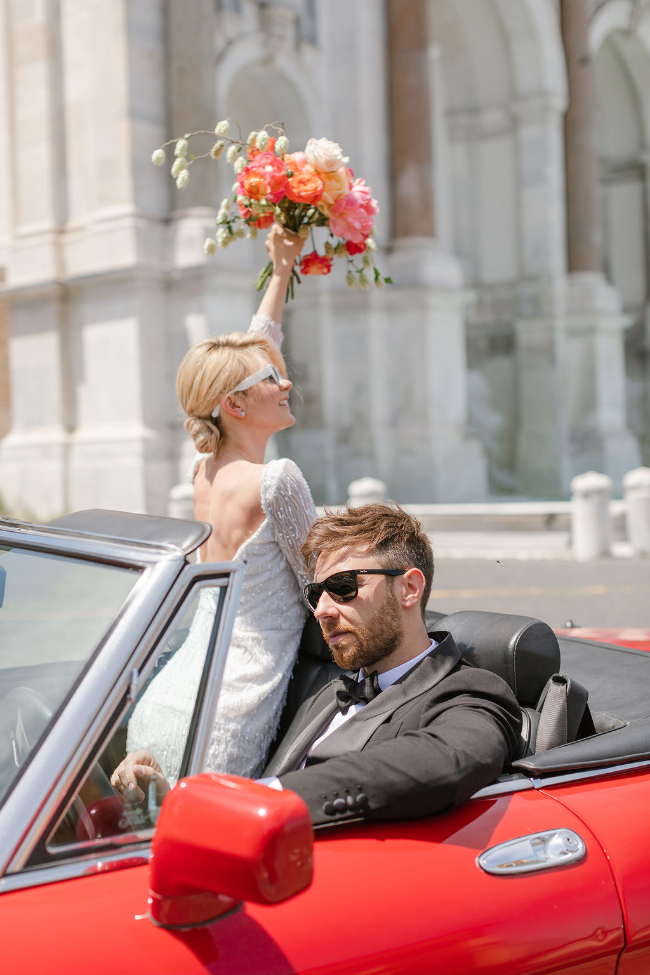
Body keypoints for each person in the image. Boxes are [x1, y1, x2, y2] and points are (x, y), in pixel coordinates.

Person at [113, 225, 316, 794]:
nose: (286, 380)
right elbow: (321, 586)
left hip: (173, 696)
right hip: (228, 708)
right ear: (234, 404)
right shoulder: (277, 479)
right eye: (272, 378)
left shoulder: (203, 472)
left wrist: (281, 269)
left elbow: (252, 350)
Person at [258, 504, 522, 825]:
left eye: (343, 587)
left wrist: (273, 798)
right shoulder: (331, 692)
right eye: (316, 594)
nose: (321, 611)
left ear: (409, 589)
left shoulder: (469, 691)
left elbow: (449, 759)